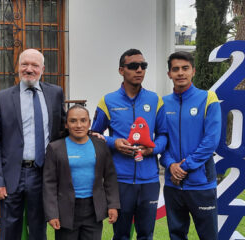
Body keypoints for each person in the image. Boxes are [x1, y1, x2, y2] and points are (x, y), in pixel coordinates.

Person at [0, 48, 66, 240]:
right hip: (12, 175)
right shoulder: (2, 98)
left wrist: (91, 136)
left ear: (43, 69)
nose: (29, 69)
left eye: (34, 65)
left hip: (43, 173)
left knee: (39, 228)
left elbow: (63, 131)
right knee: (9, 228)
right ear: (18, 67)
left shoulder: (55, 94)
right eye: (25, 64)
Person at [91, 48, 168, 239]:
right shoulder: (107, 101)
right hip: (120, 181)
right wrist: (113, 142)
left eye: (143, 66)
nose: (139, 70)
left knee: (146, 235)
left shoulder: (155, 99)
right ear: (121, 70)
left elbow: (164, 134)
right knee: (121, 235)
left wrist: (153, 149)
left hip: (149, 180)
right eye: (133, 66)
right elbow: (93, 134)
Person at [160, 51, 221, 240]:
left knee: (208, 236)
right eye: (175, 69)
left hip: (201, 183)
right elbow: (162, 140)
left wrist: (183, 167)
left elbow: (210, 142)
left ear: (193, 71)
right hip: (173, 185)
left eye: (185, 68)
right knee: (176, 235)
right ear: (169, 74)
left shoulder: (208, 98)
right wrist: (171, 165)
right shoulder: (162, 102)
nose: (180, 73)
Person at [43, 104, 120, 240]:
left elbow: (110, 178)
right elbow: (49, 184)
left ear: (89, 123)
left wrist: (113, 205)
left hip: (93, 209)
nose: (78, 125)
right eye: (73, 121)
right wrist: (52, 213)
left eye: (83, 120)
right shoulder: (55, 148)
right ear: (66, 124)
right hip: (66, 209)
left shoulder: (100, 145)